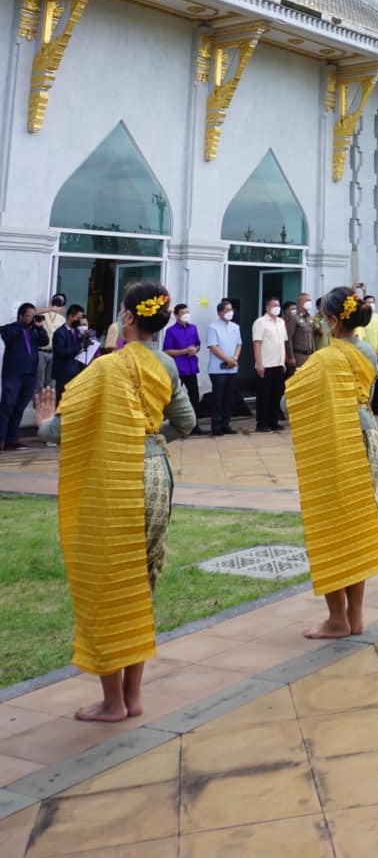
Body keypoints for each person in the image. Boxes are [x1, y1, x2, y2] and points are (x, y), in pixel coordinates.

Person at [34, 279, 195, 720]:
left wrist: (45, 422)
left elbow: (64, 427)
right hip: (156, 474)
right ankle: (133, 697)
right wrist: (148, 435)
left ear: (127, 316)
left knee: (107, 580)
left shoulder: (107, 367)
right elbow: (186, 422)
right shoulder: (166, 364)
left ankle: (112, 701)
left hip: (117, 475)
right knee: (141, 581)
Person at [284, 287, 378, 638]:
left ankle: (336, 618)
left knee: (330, 524)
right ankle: (354, 615)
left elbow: (287, 403)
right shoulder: (368, 352)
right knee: (357, 524)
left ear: (332, 321)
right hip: (367, 435)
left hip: (338, 438)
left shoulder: (325, 358)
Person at [0, 303, 46, 451]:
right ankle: (1, 438)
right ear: (21, 316)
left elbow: (45, 341)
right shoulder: (11, 328)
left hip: (29, 374)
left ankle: (12, 439)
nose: (32, 318)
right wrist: (22, 325)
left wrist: (39, 327)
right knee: (7, 406)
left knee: (20, 407)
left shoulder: (34, 331)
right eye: (29, 315)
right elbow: (7, 336)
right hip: (14, 374)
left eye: (34, 315)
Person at [162, 303, 203, 432]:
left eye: (187, 312)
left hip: (191, 367)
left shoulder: (193, 328)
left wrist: (195, 349)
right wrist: (184, 351)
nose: (186, 315)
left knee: (194, 395)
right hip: (178, 368)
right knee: (174, 397)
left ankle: (195, 426)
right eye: (183, 313)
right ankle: (173, 424)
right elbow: (167, 351)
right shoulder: (171, 331)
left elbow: (198, 344)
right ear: (177, 316)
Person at [252, 295, 289, 432]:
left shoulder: (281, 322)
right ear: (267, 307)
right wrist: (259, 364)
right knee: (264, 396)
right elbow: (257, 343)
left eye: (278, 305)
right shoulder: (260, 322)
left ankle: (273, 421)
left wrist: (283, 362)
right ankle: (261, 423)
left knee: (276, 395)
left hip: (278, 364)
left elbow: (282, 343)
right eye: (274, 305)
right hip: (266, 364)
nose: (277, 308)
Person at [206, 300, 241, 436]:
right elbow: (213, 346)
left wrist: (234, 359)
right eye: (227, 310)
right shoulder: (213, 327)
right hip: (218, 369)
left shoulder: (235, 327)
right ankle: (216, 426)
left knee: (229, 398)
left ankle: (226, 424)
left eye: (231, 310)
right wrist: (227, 360)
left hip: (232, 368)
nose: (230, 312)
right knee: (218, 398)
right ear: (220, 313)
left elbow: (239, 344)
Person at [357, 297, 378, 415]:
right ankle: (365, 405)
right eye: (368, 302)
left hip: (376, 355)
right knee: (364, 381)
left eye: (372, 302)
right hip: (363, 355)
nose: (371, 304)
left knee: (377, 381)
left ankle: (376, 406)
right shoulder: (361, 318)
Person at [52, 306, 87, 403]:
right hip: (64, 372)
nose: (79, 321)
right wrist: (79, 346)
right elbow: (60, 352)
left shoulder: (76, 331)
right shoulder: (60, 332)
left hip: (75, 370)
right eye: (78, 318)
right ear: (71, 317)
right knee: (61, 400)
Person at [34, 292, 68, 390]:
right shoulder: (42, 314)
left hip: (55, 353)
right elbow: (33, 312)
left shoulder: (62, 319)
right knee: (39, 381)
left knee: (51, 383)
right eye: (56, 300)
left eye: (60, 301)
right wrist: (50, 309)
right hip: (41, 351)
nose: (57, 303)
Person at [285, 298, 318, 372]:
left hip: (310, 355)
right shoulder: (294, 318)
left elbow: (312, 336)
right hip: (299, 356)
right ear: (301, 303)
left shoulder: (310, 317)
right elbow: (288, 338)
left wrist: (314, 353)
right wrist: (291, 357)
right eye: (307, 300)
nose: (310, 303)